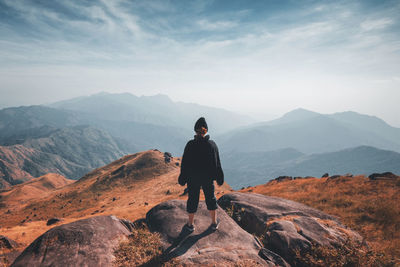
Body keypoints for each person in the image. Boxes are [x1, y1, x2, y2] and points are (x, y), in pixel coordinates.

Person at [178, 117, 224, 232]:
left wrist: (183, 178)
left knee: (192, 199)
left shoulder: (190, 145)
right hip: (207, 178)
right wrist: (219, 177)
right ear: (206, 131)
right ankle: (213, 223)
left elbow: (185, 163)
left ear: (195, 131)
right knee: (210, 198)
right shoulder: (212, 145)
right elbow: (217, 162)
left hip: (193, 178)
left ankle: (190, 225)